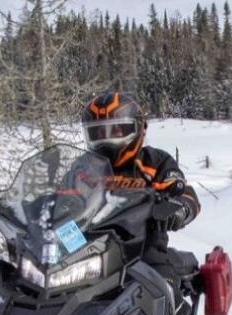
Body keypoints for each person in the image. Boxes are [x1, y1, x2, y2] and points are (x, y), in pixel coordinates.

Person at [79, 92, 203, 282]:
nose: (106, 140)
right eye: (98, 133)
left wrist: (178, 210)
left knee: (162, 287)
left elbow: (184, 194)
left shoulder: (154, 162)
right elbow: (63, 196)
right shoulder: (84, 168)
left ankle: (177, 309)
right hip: (87, 254)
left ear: (137, 128)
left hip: (144, 252)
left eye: (117, 131)